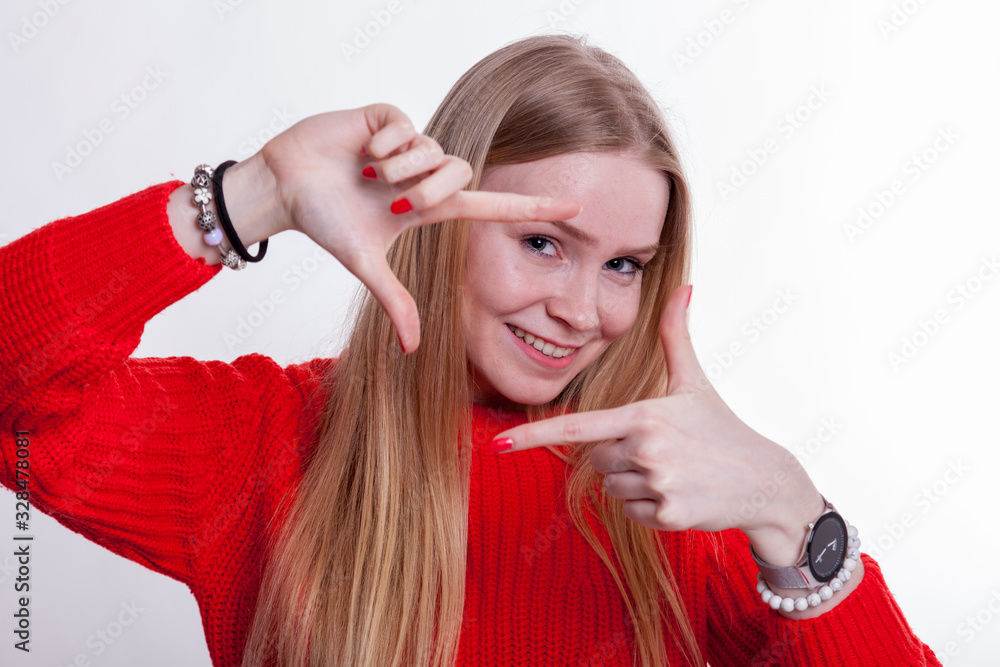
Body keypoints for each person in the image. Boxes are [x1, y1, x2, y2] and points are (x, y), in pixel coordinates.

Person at [0, 34, 939, 667]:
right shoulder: (262, 444)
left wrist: (792, 510)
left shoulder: (686, 503)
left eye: (624, 265)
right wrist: (252, 196)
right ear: (435, 220)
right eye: (543, 242)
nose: (581, 310)